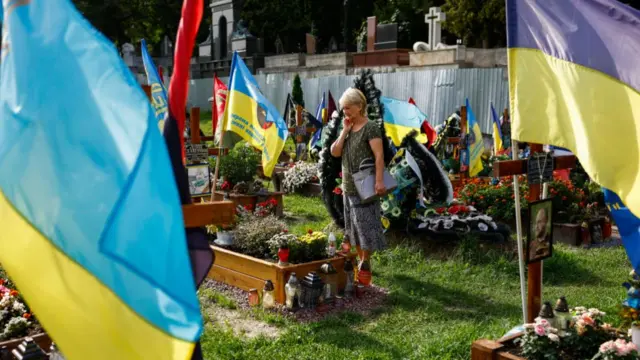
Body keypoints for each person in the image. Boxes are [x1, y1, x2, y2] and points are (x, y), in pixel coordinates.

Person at [330, 88, 386, 283]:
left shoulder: (370, 127)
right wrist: (344, 130)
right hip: (348, 187)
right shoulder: (347, 127)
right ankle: (362, 264)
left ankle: (366, 262)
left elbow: (379, 155)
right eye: (343, 108)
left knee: (365, 227)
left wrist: (379, 180)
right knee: (353, 228)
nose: (344, 111)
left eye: (348, 107)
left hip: (366, 186)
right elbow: (335, 152)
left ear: (359, 106)